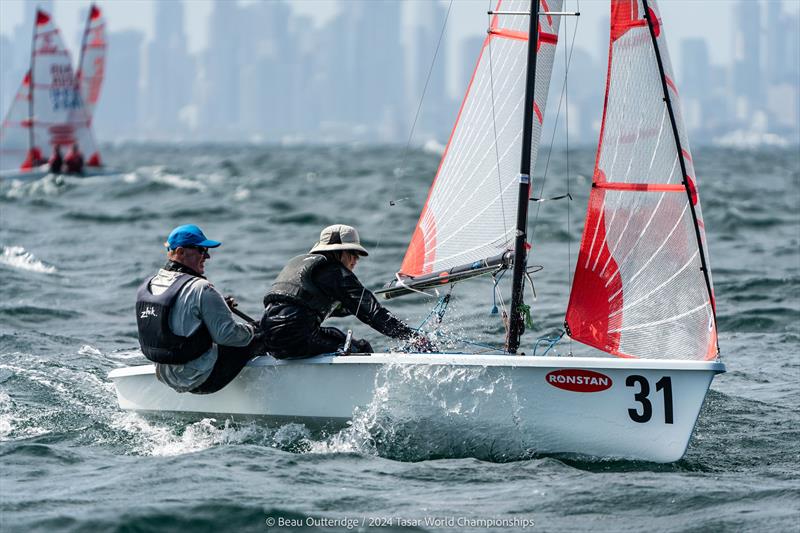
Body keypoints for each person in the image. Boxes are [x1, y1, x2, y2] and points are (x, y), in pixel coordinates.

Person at [261, 224, 433, 358]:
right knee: (361, 348)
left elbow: (289, 309)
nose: (356, 260)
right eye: (353, 253)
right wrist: (412, 337)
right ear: (338, 252)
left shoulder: (302, 266)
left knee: (336, 336)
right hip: (297, 339)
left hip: (269, 337)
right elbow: (372, 313)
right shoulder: (335, 272)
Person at [136, 224, 266, 394]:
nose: (207, 256)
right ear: (181, 252)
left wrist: (217, 308)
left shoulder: (148, 285)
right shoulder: (201, 288)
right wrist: (253, 329)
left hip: (166, 376)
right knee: (265, 333)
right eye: (201, 250)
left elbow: (179, 319)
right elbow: (228, 335)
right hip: (202, 380)